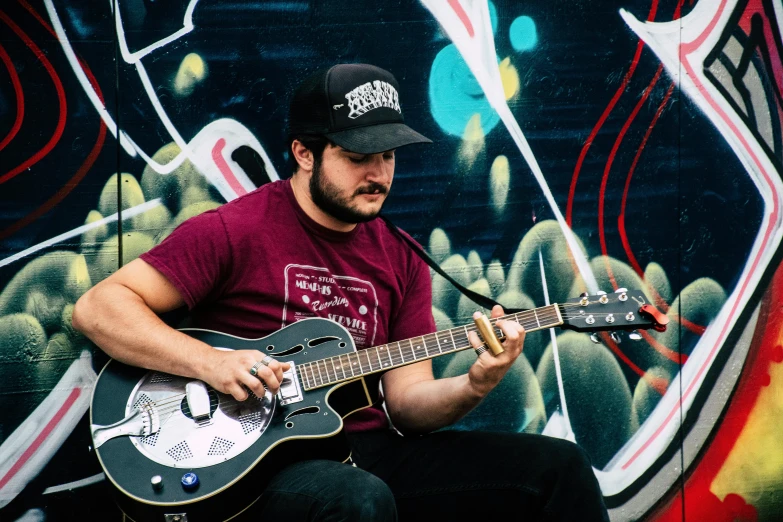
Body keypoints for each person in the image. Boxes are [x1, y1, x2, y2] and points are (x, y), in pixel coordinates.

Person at [73, 63, 609, 521]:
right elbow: (98, 309)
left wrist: (477, 382)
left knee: (557, 471)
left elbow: (407, 405)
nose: (378, 173)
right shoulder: (237, 229)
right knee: (357, 500)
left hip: (367, 451)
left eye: (390, 156)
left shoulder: (401, 255)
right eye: (359, 156)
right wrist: (212, 363)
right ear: (305, 154)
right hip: (252, 463)